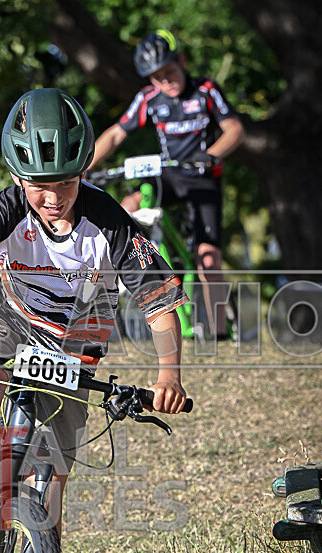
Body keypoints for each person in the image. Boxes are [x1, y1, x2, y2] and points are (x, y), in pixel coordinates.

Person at [0, 87, 188, 551]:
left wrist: (169, 374)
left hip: (76, 337)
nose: (52, 197)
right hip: (8, 314)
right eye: (38, 185)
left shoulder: (109, 222)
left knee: (49, 480)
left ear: (84, 171)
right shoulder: (7, 207)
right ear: (16, 176)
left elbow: (160, 303)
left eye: (65, 183)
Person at [88, 29, 244, 340]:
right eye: (157, 78)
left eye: (169, 72)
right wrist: (82, 168)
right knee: (128, 204)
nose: (166, 82)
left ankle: (220, 334)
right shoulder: (148, 99)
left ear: (182, 61)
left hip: (202, 179)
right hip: (169, 176)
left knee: (208, 258)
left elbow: (235, 129)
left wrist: (212, 155)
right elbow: (116, 134)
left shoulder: (206, 91)